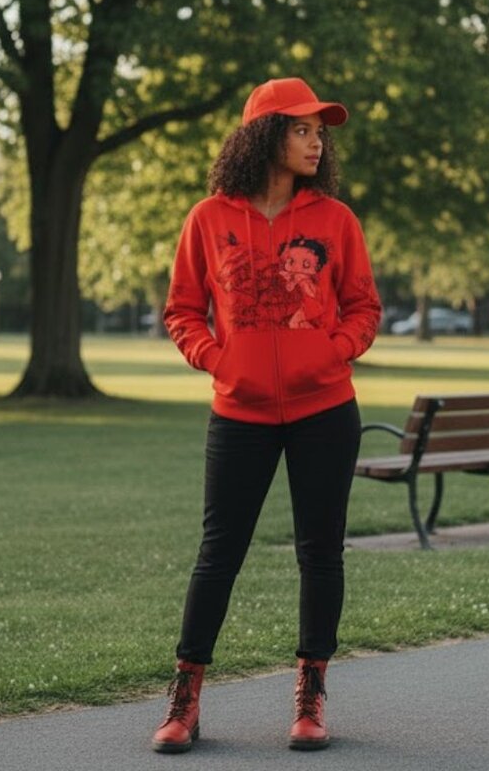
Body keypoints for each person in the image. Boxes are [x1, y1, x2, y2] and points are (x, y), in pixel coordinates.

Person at [152, 77, 381, 753]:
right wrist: (217, 359)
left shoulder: (336, 220)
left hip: (325, 409)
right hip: (239, 411)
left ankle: (310, 698)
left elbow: (365, 307)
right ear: (266, 134)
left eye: (321, 132)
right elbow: (182, 310)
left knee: (321, 552)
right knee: (218, 554)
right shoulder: (208, 218)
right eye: (304, 128)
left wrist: (333, 352)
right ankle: (185, 699)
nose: (317, 141)